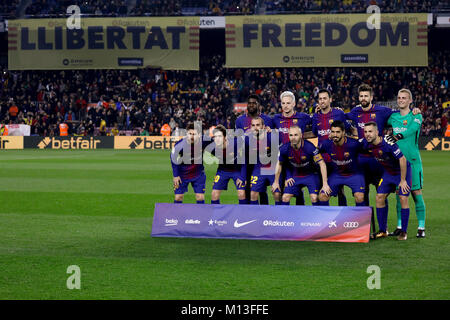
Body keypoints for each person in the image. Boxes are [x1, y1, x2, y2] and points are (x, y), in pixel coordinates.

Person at [386, 89, 427, 238]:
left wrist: (397, 136)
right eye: (399, 98)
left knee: (416, 193)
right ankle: (399, 226)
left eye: (404, 98)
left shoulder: (416, 115)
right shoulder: (393, 117)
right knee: (399, 195)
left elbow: (412, 129)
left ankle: (421, 227)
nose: (401, 100)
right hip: (398, 163)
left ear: (410, 101)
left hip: (413, 161)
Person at [362, 122, 412, 241]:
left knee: (403, 198)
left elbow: (402, 159)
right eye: (365, 132)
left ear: (377, 132)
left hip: (402, 172)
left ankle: (403, 232)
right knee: (379, 197)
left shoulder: (388, 143)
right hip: (388, 173)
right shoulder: (366, 143)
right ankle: (383, 230)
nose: (367, 134)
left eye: (370, 131)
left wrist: (403, 180)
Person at [307, 88, 352, 206]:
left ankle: (342, 217)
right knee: (322, 189)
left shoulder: (339, 113)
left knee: (341, 190)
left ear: (330, 100)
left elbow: (348, 129)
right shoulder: (316, 117)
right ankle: (323, 219)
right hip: (322, 159)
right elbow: (315, 133)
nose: (322, 101)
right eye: (320, 99)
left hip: (337, 157)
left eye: (324, 98)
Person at [272, 125, 330, 206]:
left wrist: (325, 184)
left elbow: (322, 163)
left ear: (301, 135)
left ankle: (317, 217)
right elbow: (280, 164)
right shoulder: (284, 148)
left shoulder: (310, 147)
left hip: (310, 175)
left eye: (296, 135)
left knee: (314, 197)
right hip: (295, 176)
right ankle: (283, 218)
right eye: (291, 135)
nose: (293, 137)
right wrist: (276, 182)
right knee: (285, 197)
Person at [272, 90, 311, 205]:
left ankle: (299, 218)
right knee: (277, 192)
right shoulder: (276, 118)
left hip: (298, 159)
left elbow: (316, 127)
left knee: (297, 189)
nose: (285, 106)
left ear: (294, 104)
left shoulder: (303, 117)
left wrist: (304, 136)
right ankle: (281, 219)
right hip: (282, 160)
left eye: (288, 103)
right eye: (283, 103)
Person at [235, 94, 273, 205]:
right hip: (247, 159)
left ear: (258, 105)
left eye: (254, 103)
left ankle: (264, 211)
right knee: (246, 186)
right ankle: (247, 212)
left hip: (261, 160)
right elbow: (238, 139)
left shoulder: (267, 119)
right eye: (249, 103)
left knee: (262, 189)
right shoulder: (240, 120)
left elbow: (271, 137)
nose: (251, 105)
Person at [317, 120, 365, 206]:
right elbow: (315, 152)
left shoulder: (354, 144)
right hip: (337, 175)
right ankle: (325, 219)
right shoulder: (326, 144)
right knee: (322, 196)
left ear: (343, 133)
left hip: (354, 174)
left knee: (359, 196)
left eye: (338, 132)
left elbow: (367, 149)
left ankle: (359, 219)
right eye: (333, 132)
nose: (335, 135)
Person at [245, 117, 282, 205]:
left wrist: (276, 181)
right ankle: (256, 216)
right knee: (253, 194)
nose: (256, 127)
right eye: (253, 125)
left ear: (263, 126)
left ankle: (280, 216)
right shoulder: (248, 139)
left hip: (273, 169)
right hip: (258, 169)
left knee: (277, 193)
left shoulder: (271, 137)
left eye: (258, 125)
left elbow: (280, 156)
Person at [170, 122, 209, 204]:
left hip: (198, 174)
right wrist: (175, 175)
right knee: (178, 197)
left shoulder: (204, 140)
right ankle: (175, 216)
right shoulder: (180, 144)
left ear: (199, 134)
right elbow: (173, 158)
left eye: (194, 134)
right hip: (182, 174)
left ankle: (201, 216)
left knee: (200, 197)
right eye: (189, 133)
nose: (191, 136)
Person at [209, 125, 247, 204]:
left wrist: (243, 177)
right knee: (214, 194)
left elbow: (244, 160)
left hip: (237, 171)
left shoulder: (236, 143)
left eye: (219, 136)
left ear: (225, 137)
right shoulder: (212, 148)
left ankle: (244, 215)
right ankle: (216, 215)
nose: (217, 139)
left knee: (241, 194)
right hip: (222, 171)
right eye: (215, 137)